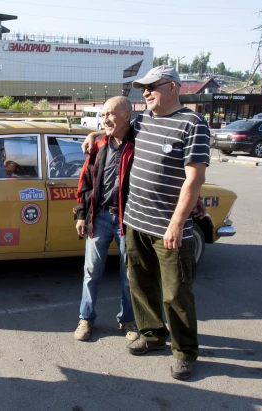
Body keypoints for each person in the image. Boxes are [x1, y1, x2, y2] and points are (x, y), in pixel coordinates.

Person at [83, 66, 210, 380]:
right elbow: (117, 128)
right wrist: (95, 133)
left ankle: (184, 352)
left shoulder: (193, 124)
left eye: (152, 87)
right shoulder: (143, 120)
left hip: (168, 229)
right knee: (140, 285)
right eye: (143, 88)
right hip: (135, 222)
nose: (146, 93)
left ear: (172, 87)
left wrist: (178, 223)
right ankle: (153, 335)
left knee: (176, 293)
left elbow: (193, 179)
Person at [73, 96, 139, 342]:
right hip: (99, 217)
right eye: (102, 115)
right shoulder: (99, 146)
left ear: (126, 115)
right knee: (91, 273)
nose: (105, 119)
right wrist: (81, 214)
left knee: (129, 276)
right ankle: (85, 319)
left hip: (127, 221)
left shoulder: (139, 143)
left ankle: (128, 321)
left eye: (110, 114)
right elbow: (85, 183)